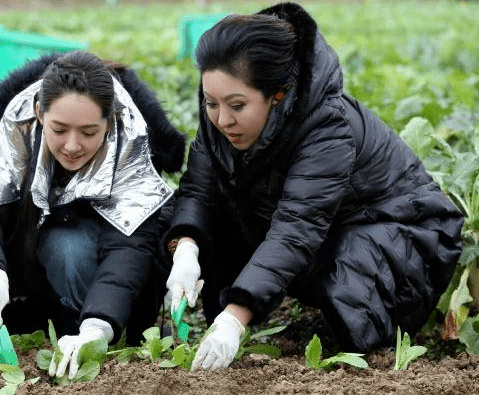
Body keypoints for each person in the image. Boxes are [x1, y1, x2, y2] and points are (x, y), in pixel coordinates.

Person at [162, 2, 465, 370]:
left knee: (350, 277)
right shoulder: (223, 116)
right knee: (219, 213)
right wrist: (187, 249)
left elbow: (297, 228)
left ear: (278, 93)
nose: (222, 119)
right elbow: (199, 189)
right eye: (212, 103)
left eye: (237, 105)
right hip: (328, 228)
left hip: (406, 235)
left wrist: (235, 319)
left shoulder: (327, 126)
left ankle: (373, 346)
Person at [0, 51, 186, 379]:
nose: (72, 145)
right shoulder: (16, 128)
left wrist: (97, 328)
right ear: (40, 112)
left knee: (68, 247)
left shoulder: (130, 149)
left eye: (88, 132)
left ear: (108, 120)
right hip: (15, 254)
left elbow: (127, 252)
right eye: (60, 129)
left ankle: (72, 329)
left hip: (79, 275)